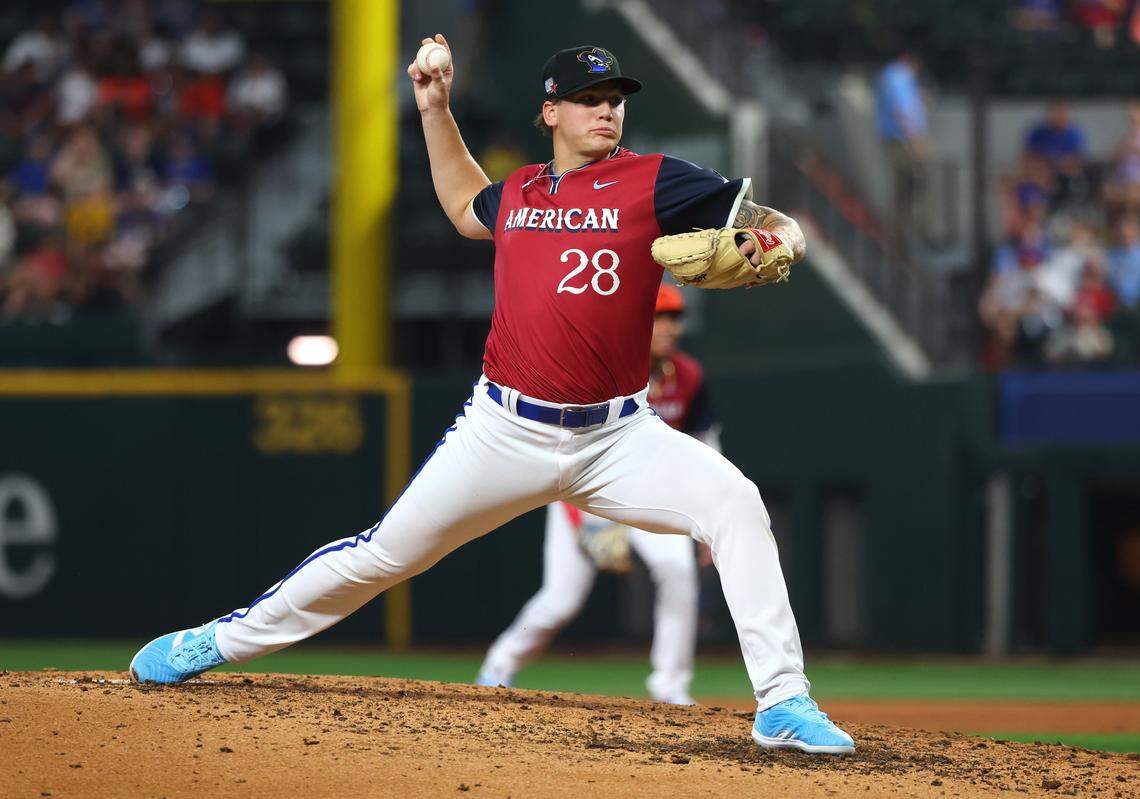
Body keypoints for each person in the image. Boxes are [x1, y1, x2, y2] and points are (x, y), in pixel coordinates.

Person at [128, 37, 855, 756]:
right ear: (550, 112)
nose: (606, 112)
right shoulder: (518, 193)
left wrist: (780, 241)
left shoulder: (656, 180)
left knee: (737, 503)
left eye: (614, 100)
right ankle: (217, 639)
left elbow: (771, 222)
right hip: (503, 429)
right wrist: (434, 105)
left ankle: (783, 701)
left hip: (616, 437)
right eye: (587, 99)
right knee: (383, 555)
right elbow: (458, 203)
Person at [477, 284, 715, 706]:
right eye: (660, 317)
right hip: (582, 489)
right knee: (560, 601)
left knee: (676, 570)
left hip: (649, 492)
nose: (669, 328)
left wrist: (710, 514)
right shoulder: (607, 368)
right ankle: (500, 663)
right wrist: (584, 519)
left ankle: (670, 685)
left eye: (674, 319)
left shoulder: (690, 375)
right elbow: (568, 447)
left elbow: (705, 445)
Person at [875, 50, 933, 252]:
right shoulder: (897, 76)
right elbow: (900, 110)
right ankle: (900, 238)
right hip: (901, 141)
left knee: (909, 188)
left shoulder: (900, 78)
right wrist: (915, 140)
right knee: (908, 186)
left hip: (903, 139)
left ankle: (904, 236)